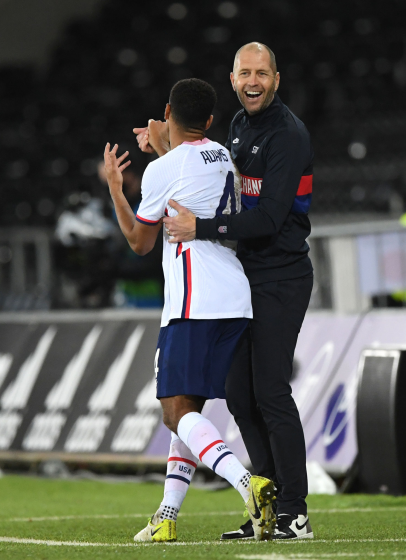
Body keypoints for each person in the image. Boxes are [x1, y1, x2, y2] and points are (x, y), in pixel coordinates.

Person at [134, 43, 314, 541]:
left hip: (280, 276)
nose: (252, 81)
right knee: (240, 396)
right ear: (232, 79)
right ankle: (266, 504)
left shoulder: (288, 135)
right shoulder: (236, 127)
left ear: (277, 78)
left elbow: (269, 218)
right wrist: (167, 146)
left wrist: (202, 228)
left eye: (262, 73)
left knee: (272, 392)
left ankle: (294, 514)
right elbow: (202, 179)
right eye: (244, 74)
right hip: (240, 278)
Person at [104, 78, 276, 543]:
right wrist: (163, 146)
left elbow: (140, 243)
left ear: (167, 110)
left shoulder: (164, 171)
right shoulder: (222, 155)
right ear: (211, 120)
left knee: (173, 411)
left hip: (192, 300)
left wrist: (117, 189)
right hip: (235, 299)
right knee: (189, 407)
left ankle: (248, 483)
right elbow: (188, 173)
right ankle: (166, 515)